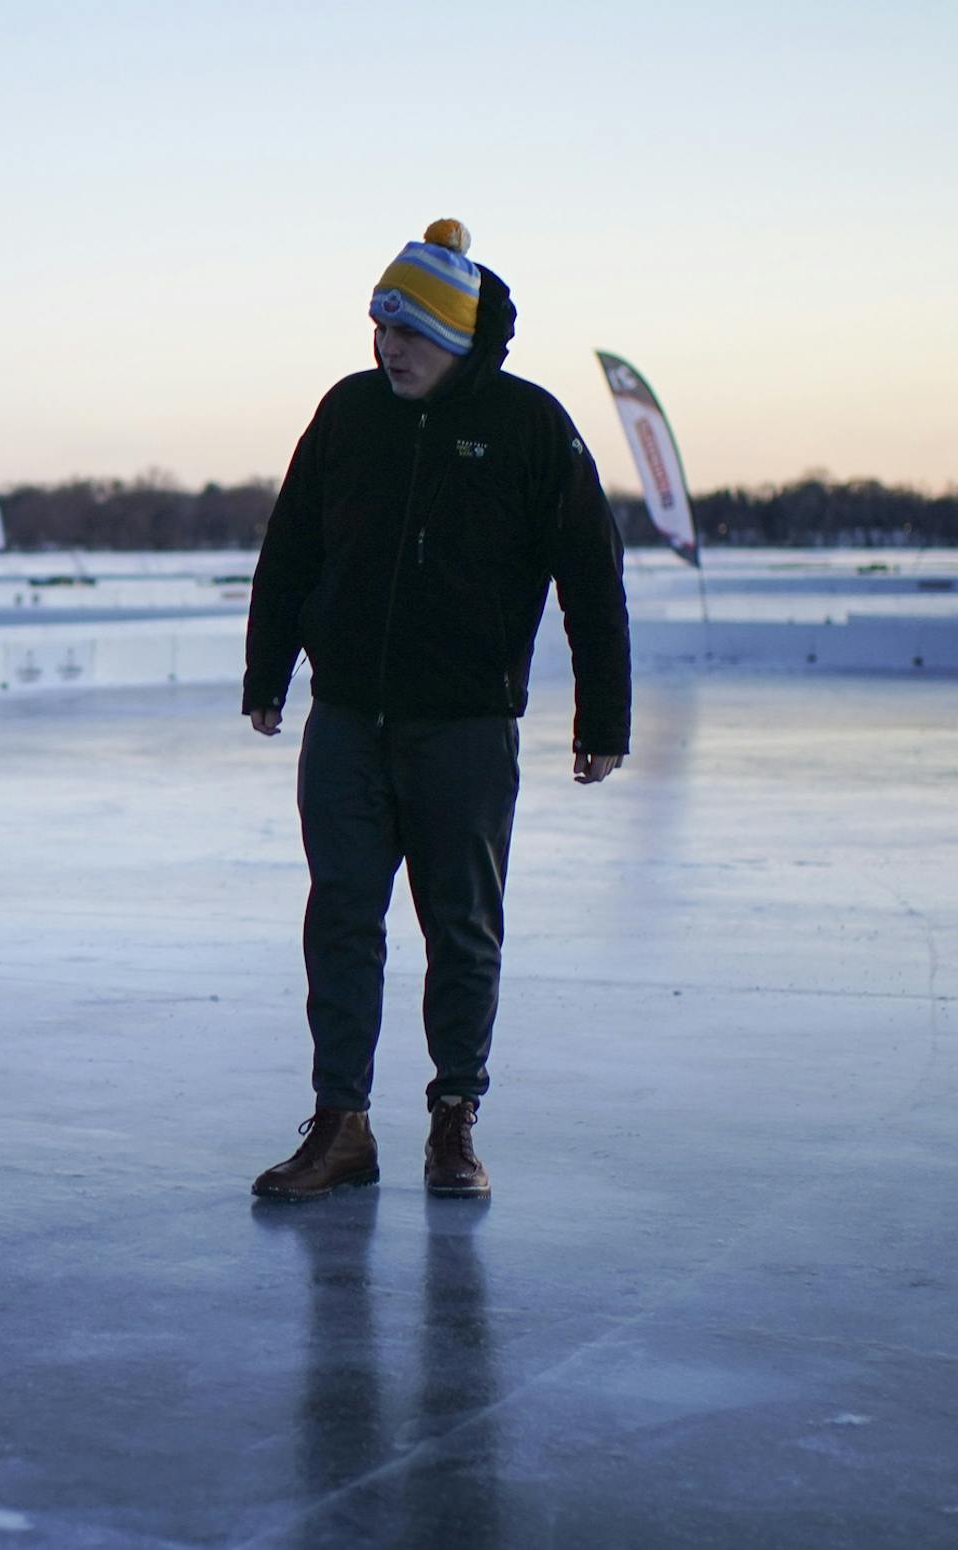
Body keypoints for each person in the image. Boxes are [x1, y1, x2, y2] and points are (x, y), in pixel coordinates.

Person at [243, 219, 631, 1203]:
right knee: (341, 916)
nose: (391, 346)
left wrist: (604, 719)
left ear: (459, 337)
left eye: (412, 329)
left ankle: (453, 1122)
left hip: (462, 725)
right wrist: (268, 670)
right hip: (348, 719)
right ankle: (341, 1123)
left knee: (460, 925)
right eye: (382, 326)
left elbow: (592, 576)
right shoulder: (347, 413)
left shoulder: (531, 425)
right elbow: (291, 545)